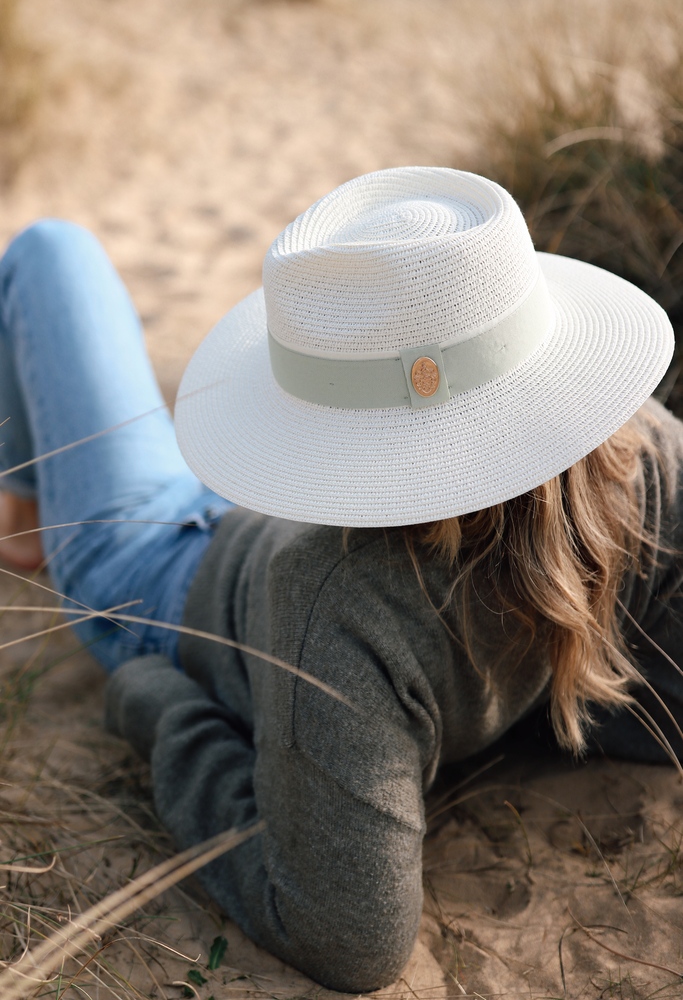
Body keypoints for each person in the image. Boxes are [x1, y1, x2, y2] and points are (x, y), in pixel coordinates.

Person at [0, 167, 681, 992]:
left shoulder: (335, 600)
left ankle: (26, 518)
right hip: (279, 532)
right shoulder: (640, 455)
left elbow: (345, 937)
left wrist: (158, 704)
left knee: (49, 250)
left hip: (159, 567)